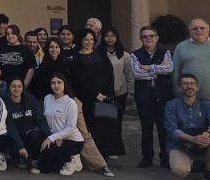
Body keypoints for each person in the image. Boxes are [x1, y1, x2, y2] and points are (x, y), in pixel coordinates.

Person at [163, 74, 210, 180]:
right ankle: (197, 163)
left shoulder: (206, 105)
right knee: (181, 171)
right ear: (179, 88)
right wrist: (192, 139)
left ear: (197, 88)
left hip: (203, 141)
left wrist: (207, 134)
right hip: (180, 144)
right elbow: (171, 129)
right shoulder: (171, 105)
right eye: (185, 84)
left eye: (192, 84)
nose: (189, 86)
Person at [68, 29, 123, 158]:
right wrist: (93, 94)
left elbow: (109, 75)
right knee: (89, 128)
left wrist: (106, 93)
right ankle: (91, 156)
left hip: (104, 97)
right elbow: (78, 80)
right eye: (86, 39)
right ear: (81, 41)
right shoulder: (75, 57)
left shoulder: (101, 54)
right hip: (86, 99)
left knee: (104, 127)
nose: (89, 42)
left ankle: (104, 154)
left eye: (92, 39)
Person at [131, 25, 175, 169]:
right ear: (141, 39)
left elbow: (169, 68)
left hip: (163, 97)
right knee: (146, 129)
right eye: (145, 37)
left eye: (151, 36)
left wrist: (148, 67)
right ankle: (147, 157)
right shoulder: (135, 54)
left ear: (156, 38)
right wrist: (156, 70)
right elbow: (136, 73)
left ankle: (165, 158)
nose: (148, 39)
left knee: (164, 129)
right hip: (144, 98)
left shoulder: (165, 52)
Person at [39, 73, 85, 175]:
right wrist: (54, 137)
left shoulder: (70, 103)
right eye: (53, 83)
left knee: (47, 161)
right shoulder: (47, 98)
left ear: (64, 84)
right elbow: (46, 121)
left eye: (59, 82)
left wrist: (53, 137)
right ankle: (62, 160)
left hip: (72, 140)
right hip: (55, 138)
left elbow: (71, 128)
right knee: (43, 167)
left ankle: (73, 160)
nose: (56, 85)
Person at [4, 77, 50, 173]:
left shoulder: (31, 100)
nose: (16, 89)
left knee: (35, 136)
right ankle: (22, 156)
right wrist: (20, 146)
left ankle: (35, 160)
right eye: (13, 86)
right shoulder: (5, 103)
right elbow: (10, 127)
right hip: (16, 137)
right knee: (13, 151)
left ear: (23, 88)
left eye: (19, 86)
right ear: (9, 88)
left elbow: (40, 120)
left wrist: (50, 136)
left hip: (30, 135)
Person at [102, 27, 134, 156]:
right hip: (104, 95)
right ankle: (105, 148)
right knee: (105, 122)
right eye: (107, 35)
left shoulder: (125, 55)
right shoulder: (99, 53)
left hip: (120, 93)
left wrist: (131, 92)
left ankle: (114, 149)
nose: (110, 38)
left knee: (117, 123)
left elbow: (129, 75)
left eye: (112, 35)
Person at [0, 25, 37, 89]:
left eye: (13, 33)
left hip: (20, 86)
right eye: (8, 34)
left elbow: (31, 69)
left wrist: (24, 86)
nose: (10, 36)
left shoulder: (26, 50)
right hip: (3, 87)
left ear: (18, 34)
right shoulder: (0, 50)